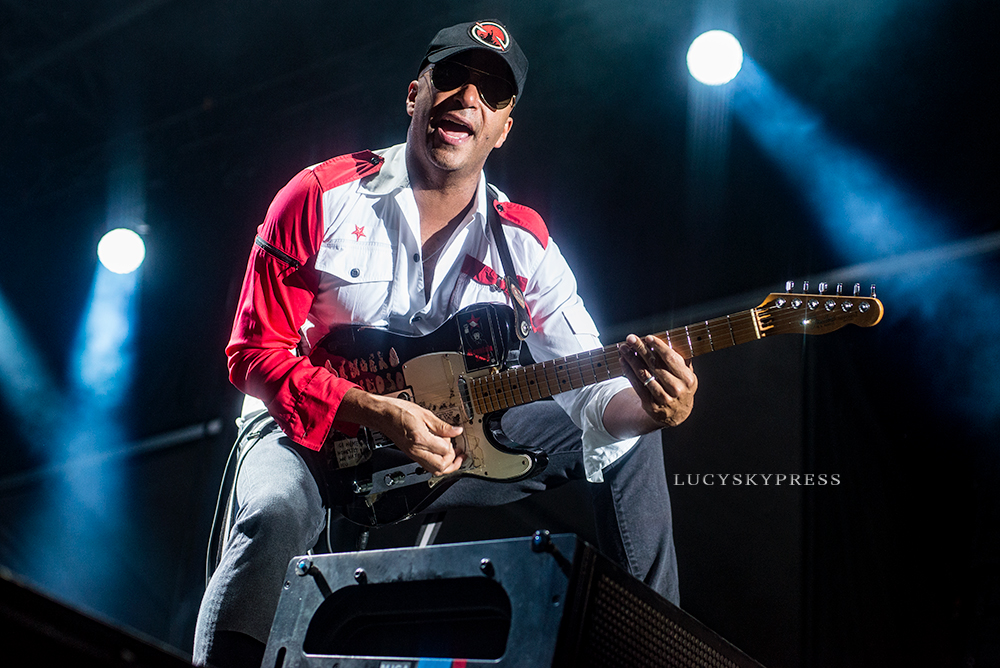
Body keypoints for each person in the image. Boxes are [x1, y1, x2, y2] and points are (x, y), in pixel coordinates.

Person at [193, 19, 697, 667]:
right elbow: (253, 354)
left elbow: (590, 389)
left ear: (504, 127)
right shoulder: (319, 196)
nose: (469, 98)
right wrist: (375, 410)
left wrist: (651, 405)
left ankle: (657, 652)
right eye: (454, 77)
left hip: (449, 441)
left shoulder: (524, 243)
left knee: (633, 435)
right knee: (272, 512)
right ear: (415, 95)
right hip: (308, 434)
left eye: (493, 93)